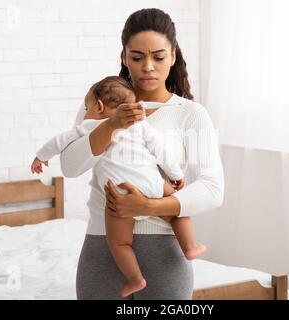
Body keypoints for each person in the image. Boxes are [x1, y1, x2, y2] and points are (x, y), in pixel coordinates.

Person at [61, 8, 224, 300]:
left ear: (173, 56)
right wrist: (111, 124)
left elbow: (212, 189)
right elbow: (70, 166)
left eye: (158, 57)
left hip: (164, 252)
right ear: (125, 57)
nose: (148, 66)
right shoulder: (97, 107)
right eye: (137, 57)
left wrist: (147, 207)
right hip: (102, 246)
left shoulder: (190, 115)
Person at [31, 76, 206, 297]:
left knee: (119, 243)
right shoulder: (140, 122)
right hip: (152, 182)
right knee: (179, 211)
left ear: (99, 106)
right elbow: (160, 149)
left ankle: (135, 278)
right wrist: (176, 175)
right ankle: (190, 246)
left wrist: (40, 156)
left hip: (118, 192)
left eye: (88, 107)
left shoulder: (89, 125)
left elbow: (58, 141)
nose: (148, 66)